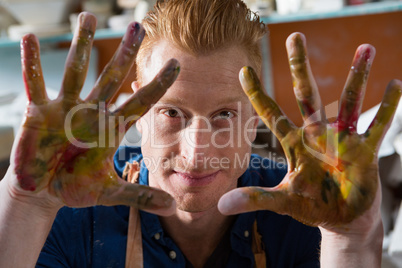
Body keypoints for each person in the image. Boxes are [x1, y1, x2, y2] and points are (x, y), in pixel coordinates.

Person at [0, 0, 401, 267]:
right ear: (138, 112)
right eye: (171, 112)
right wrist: (25, 204)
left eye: (225, 114)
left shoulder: (301, 211)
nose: (196, 153)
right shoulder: (73, 213)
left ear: (254, 117)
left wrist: (349, 238)